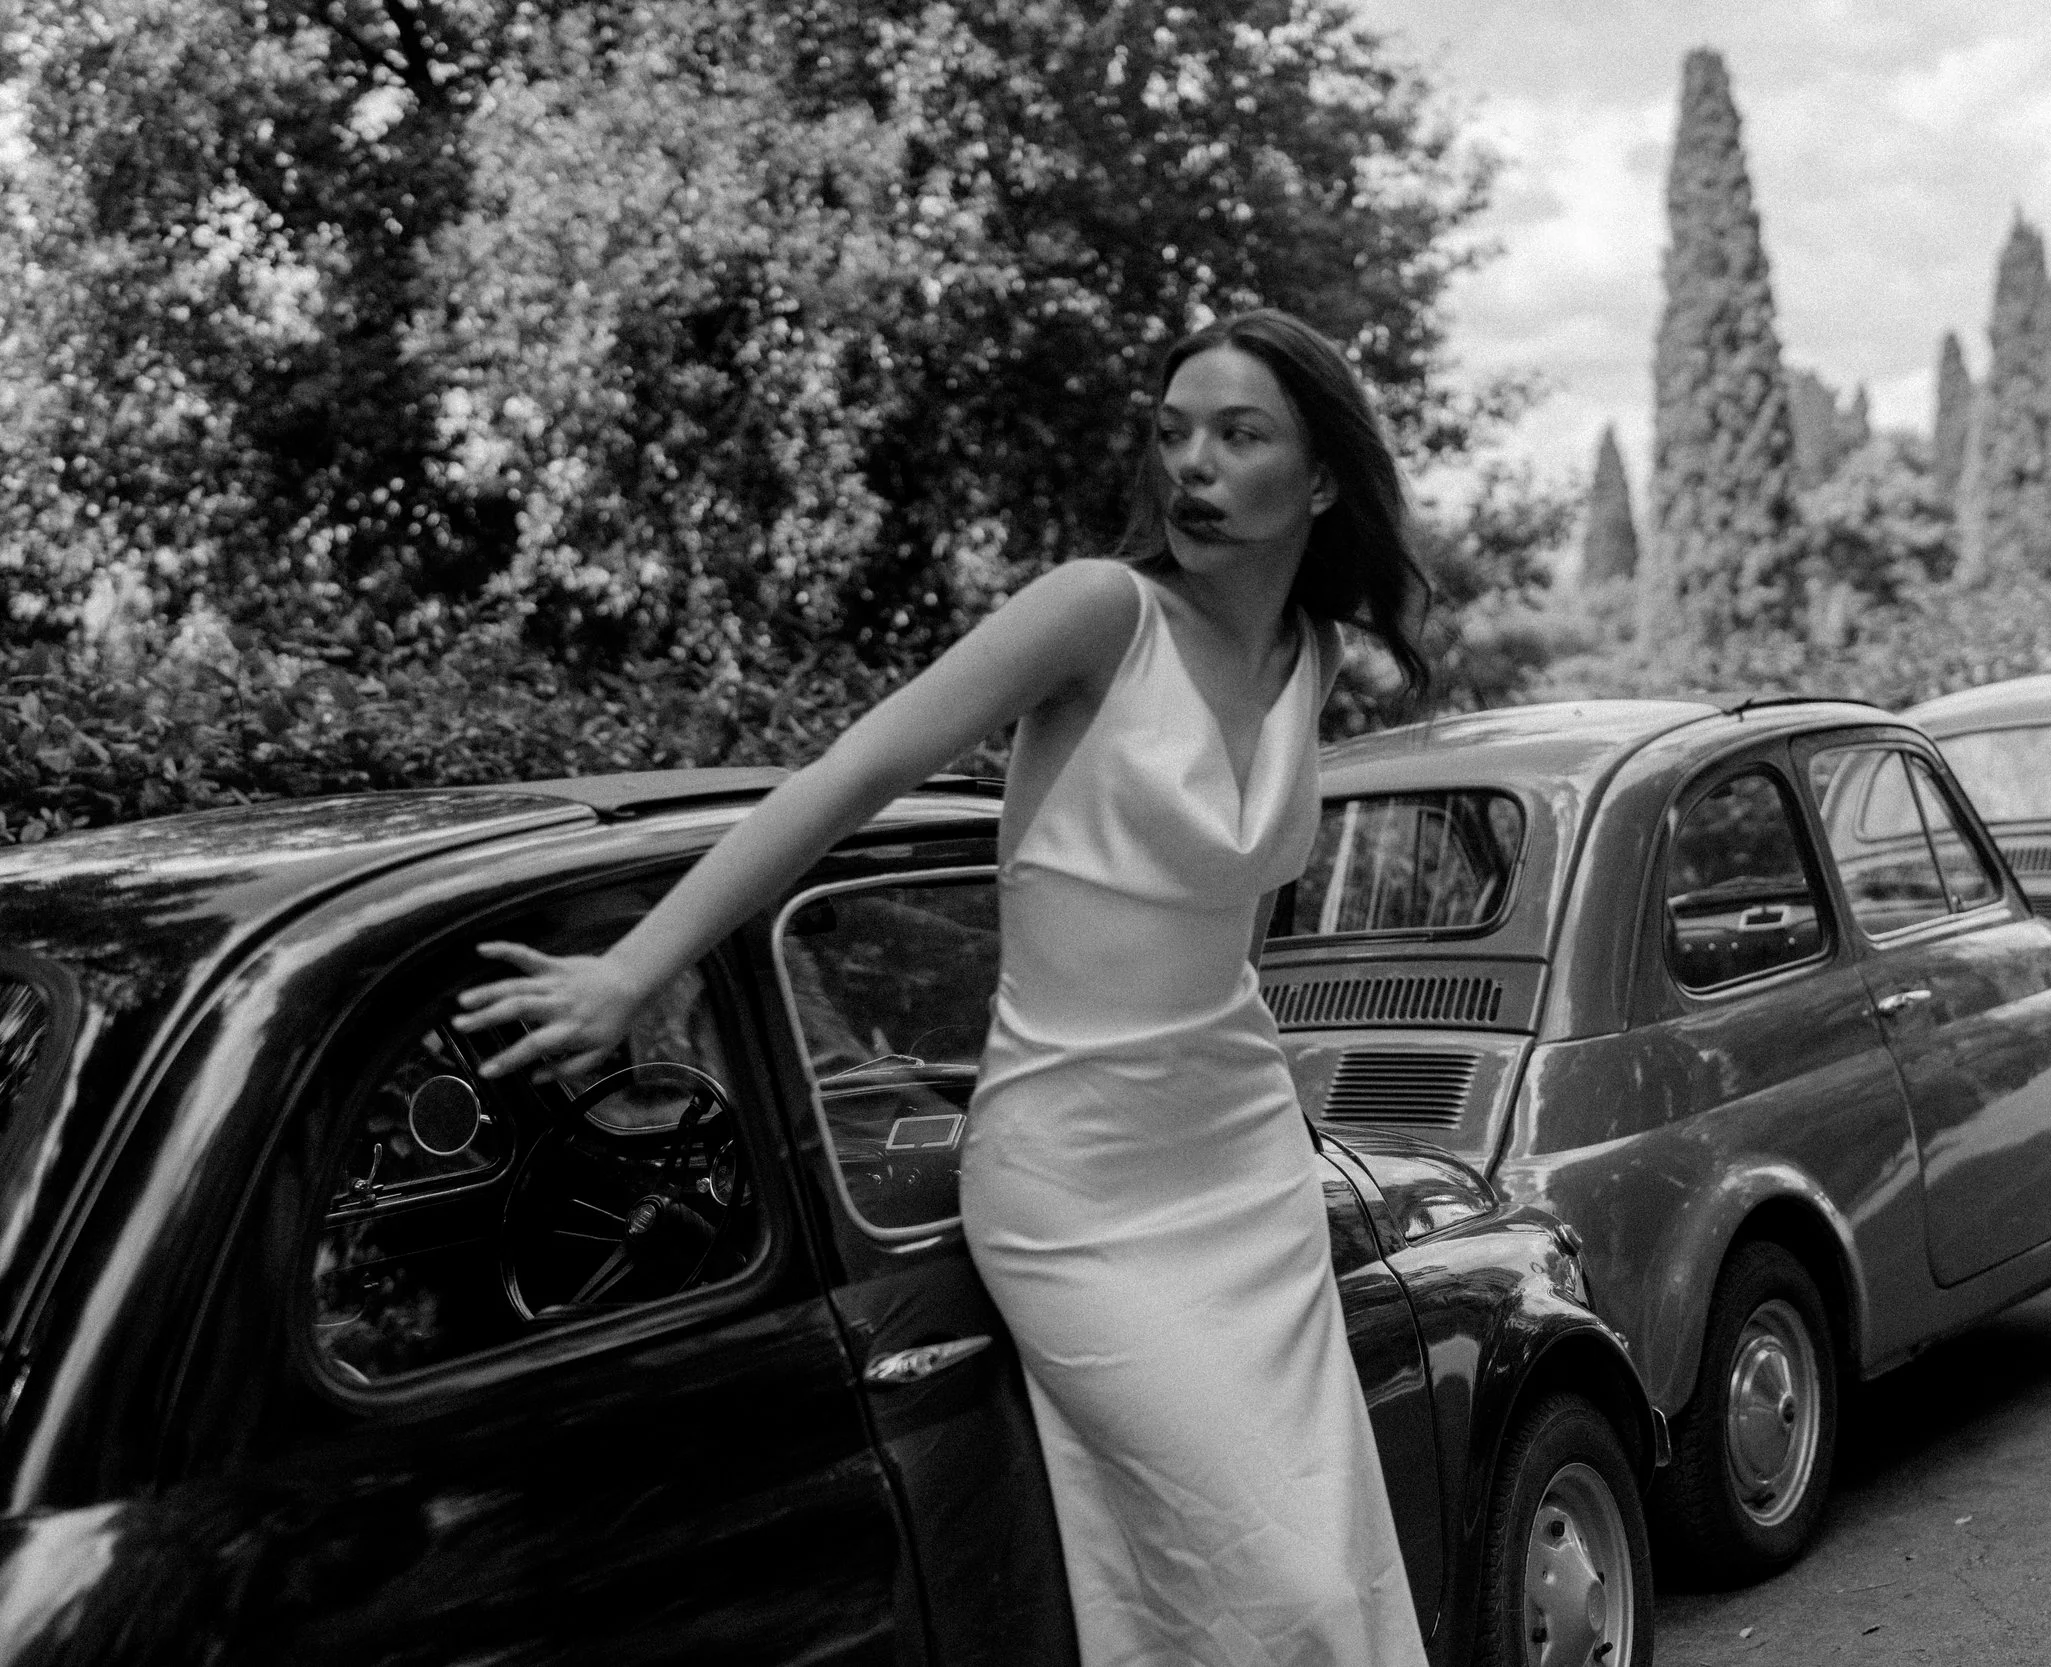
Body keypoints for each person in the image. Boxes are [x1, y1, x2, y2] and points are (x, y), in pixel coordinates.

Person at [454, 307, 1435, 1666]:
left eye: (1238, 435)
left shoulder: (1308, 656)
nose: (1192, 466)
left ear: (1321, 481)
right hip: (1078, 1191)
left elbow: (1223, 918)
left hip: (1246, 1170)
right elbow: (851, 774)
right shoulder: (1097, 613)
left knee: (1325, 1562)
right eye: (1172, 434)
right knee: (1285, 1592)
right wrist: (632, 968)